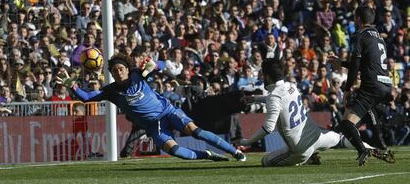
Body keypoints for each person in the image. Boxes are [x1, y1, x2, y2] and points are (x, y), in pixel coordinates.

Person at [57, 53, 246, 162]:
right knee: (176, 152)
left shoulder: (139, 75)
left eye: (121, 68)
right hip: (154, 126)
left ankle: (234, 151)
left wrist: (154, 64)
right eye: (114, 70)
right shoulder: (111, 91)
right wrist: (71, 85)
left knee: (196, 132)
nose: (118, 72)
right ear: (112, 74)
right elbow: (87, 97)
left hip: (169, 112)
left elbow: (163, 64)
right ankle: (207, 155)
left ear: (127, 69)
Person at [238, 58, 377, 167]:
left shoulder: (274, 96)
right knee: (340, 139)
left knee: (265, 161)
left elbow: (268, 127)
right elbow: (277, 100)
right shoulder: (291, 86)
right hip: (316, 136)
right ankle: (372, 148)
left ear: (267, 76)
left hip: (300, 150)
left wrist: (247, 141)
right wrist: (255, 99)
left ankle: (308, 159)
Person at [329, 6, 395, 166]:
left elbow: (356, 66)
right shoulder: (379, 37)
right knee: (369, 108)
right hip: (385, 84)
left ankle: (363, 150)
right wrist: (342, 62)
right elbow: (365, 62)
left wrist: (346, 89)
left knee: (346, 123)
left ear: (358, 19)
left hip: (372, 85)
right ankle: (381, 144)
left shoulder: (360, 36)